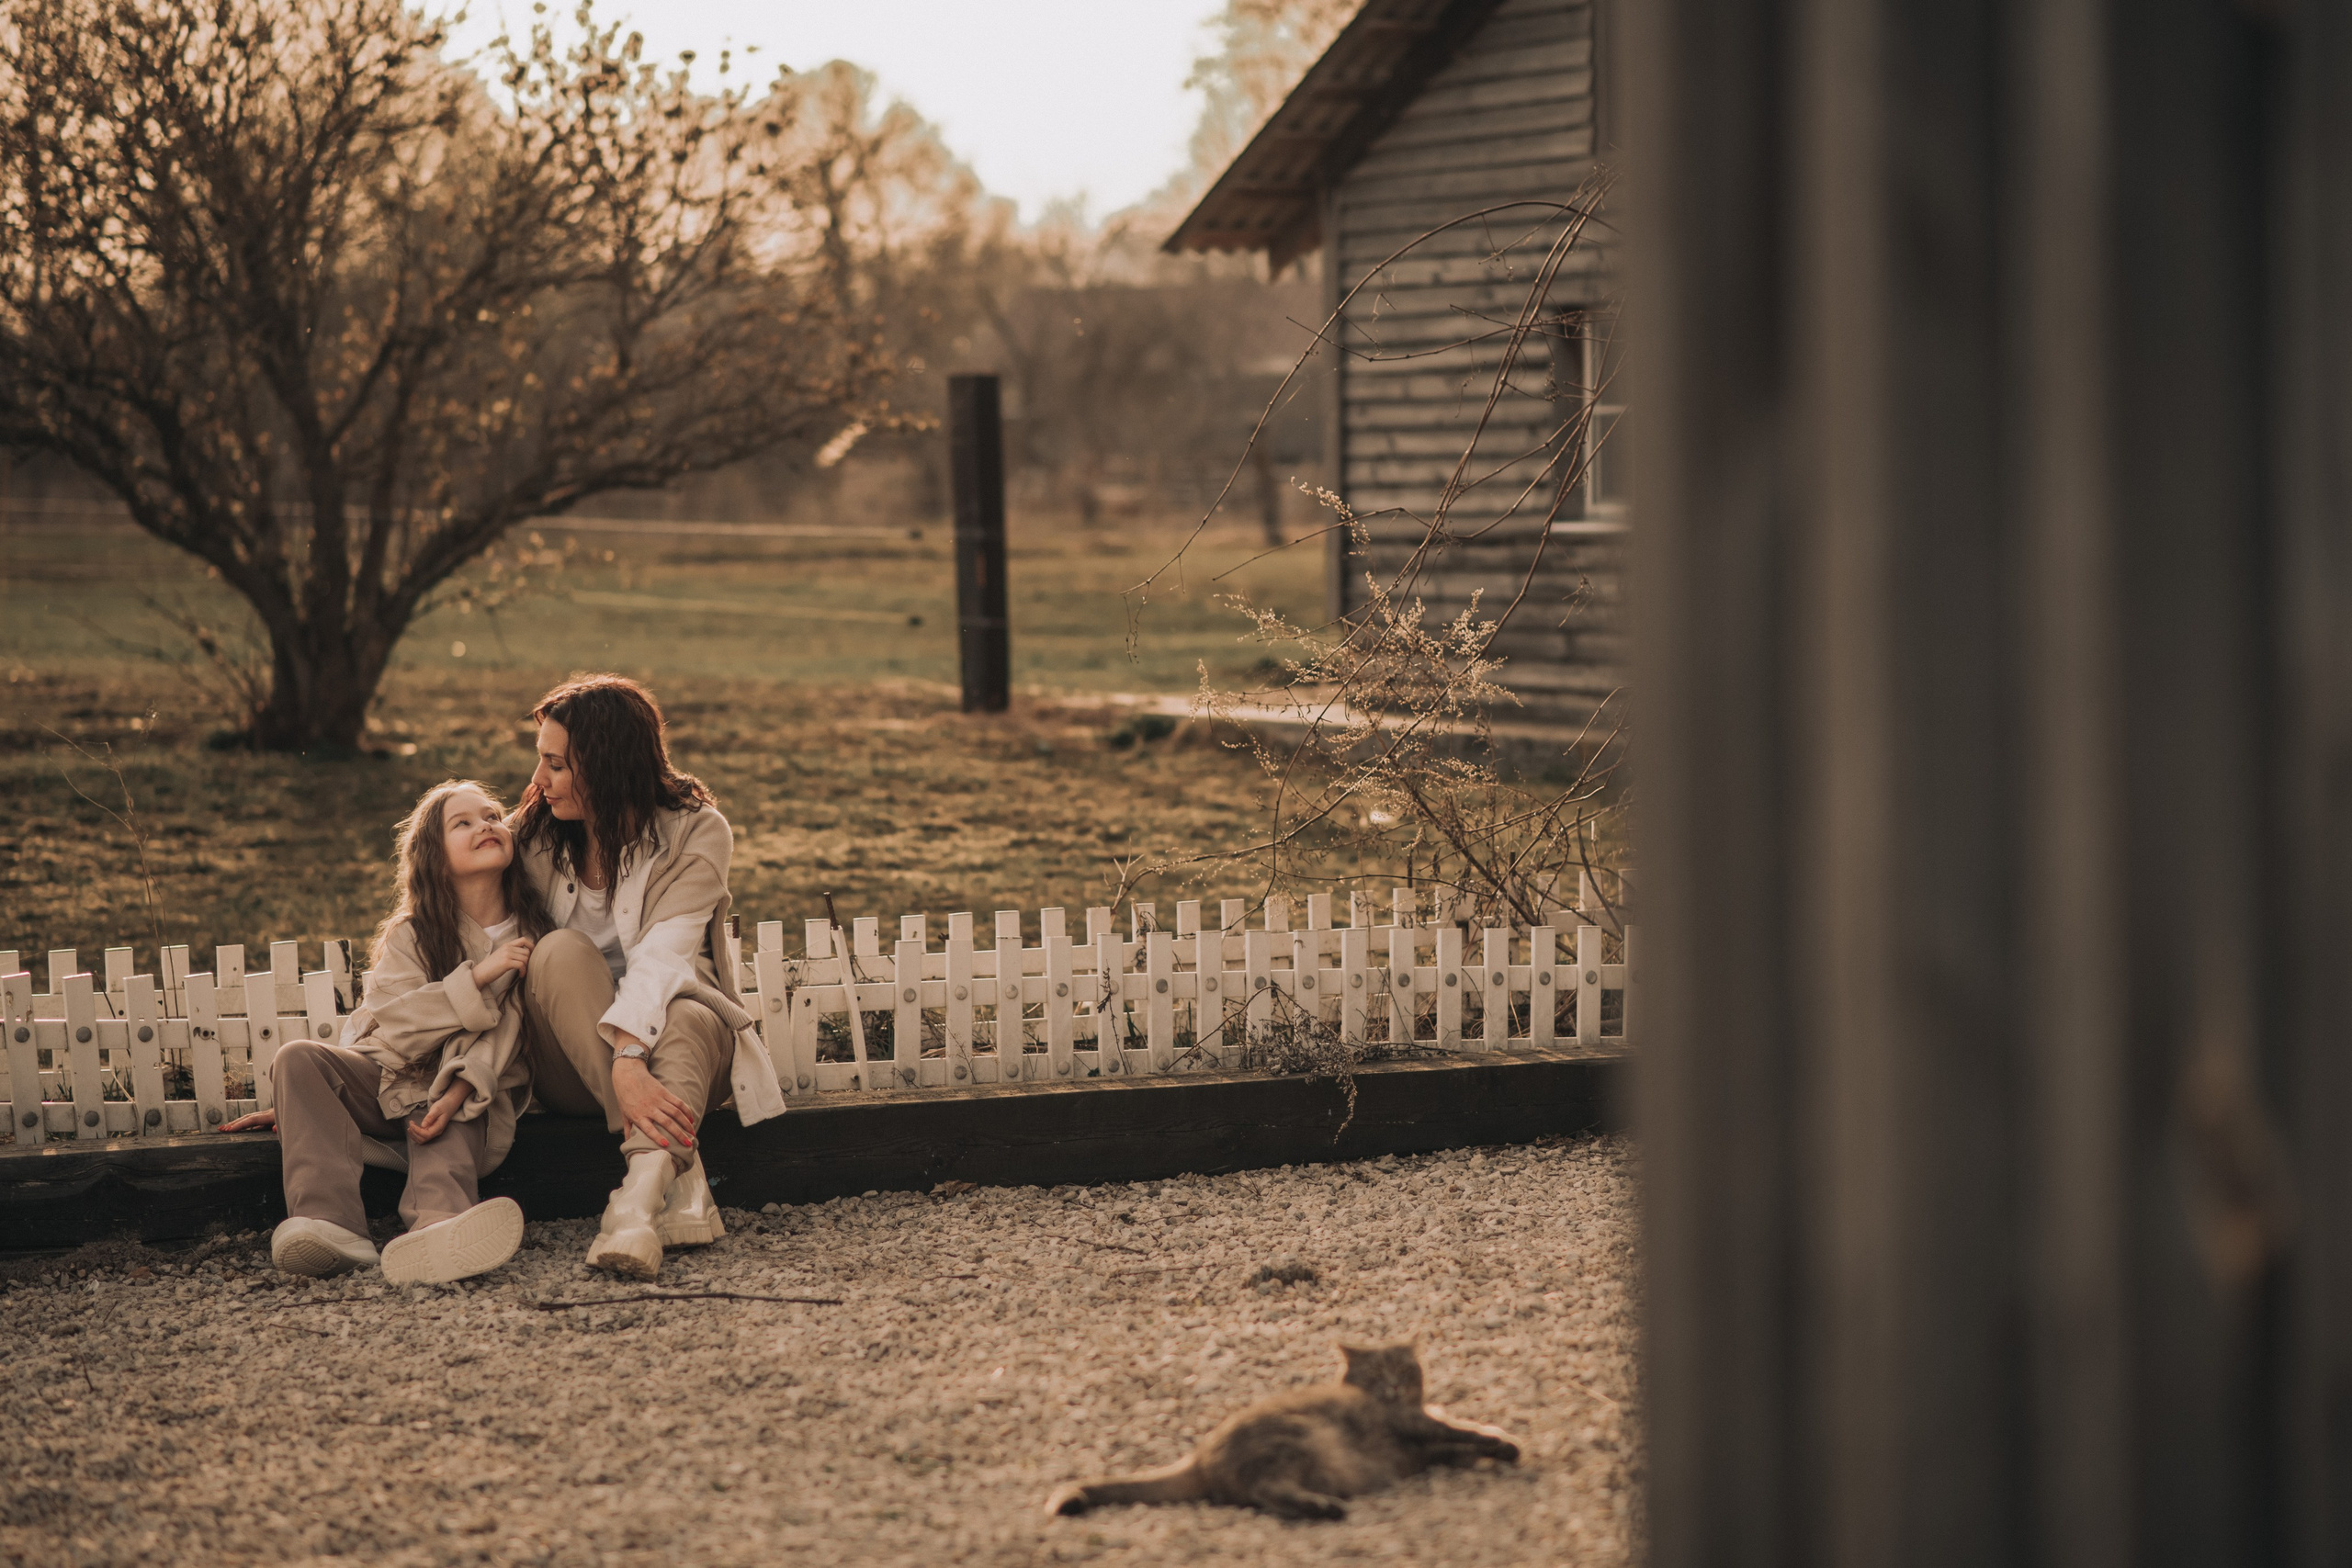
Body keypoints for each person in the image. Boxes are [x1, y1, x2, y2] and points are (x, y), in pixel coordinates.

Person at [510, 675, 785, 1279]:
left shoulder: (697, 830)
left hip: (682, 1054)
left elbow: (665, 955)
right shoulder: (530, 837)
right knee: (559, 952)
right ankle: (675, 1184)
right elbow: (442, 934)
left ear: (605, 766)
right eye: (541, 761)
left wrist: (631, 1056)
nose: (539, 781)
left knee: (689, 1006)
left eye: (556, 765)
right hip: (568, 1064)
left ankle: (636, 1199)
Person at [222, 780, 544, 1283]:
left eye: (492, 816)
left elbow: (510, 1036)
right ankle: (331, 1225)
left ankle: (439, 1230)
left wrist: (457, 1089)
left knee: (448, 1117)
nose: (486, 825)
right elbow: (395, 1025)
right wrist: (479, 976)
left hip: (466, 1088)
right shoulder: (411, 934)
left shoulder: (534, 936)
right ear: (436, 859)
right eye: (463, 823)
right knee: (297, 1058)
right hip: (387, 1076)